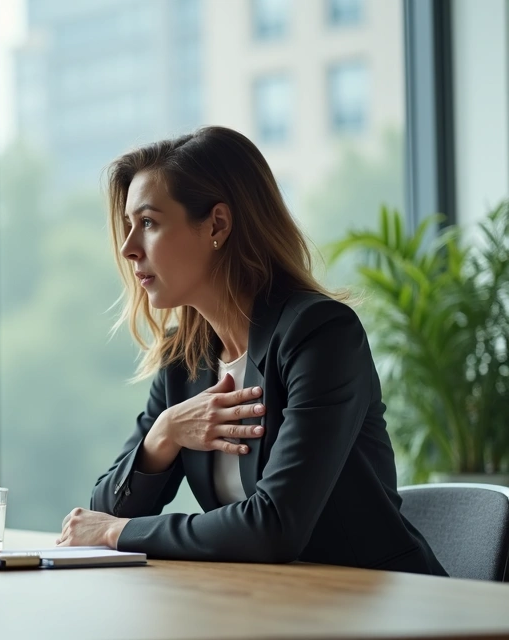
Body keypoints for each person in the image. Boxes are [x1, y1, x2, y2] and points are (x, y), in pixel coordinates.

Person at [56, 126, 445, 576]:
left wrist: (116, 533)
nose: (128, 249)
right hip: (267, 599)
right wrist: (164, 434)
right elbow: (104, 508)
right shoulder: (184, 359)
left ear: (217, 224)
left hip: (379, 599)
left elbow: (274, 527)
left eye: (148, 223)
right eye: (129, 226)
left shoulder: (320, 335)